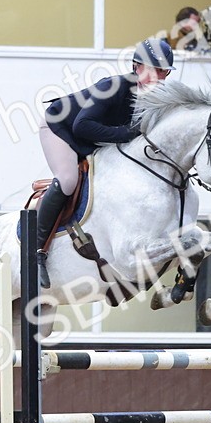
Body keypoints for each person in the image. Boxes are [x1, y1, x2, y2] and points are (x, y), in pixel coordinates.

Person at [34, 37, 175, 289]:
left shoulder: (156, 101)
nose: (158, 77)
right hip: (60, 126)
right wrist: (126, 134)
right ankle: (36, 253)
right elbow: (82, 125)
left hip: (91, 139)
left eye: (163, 71)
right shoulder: (113, 86)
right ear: (136, 66)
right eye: (152, 70)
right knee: (68, 180)